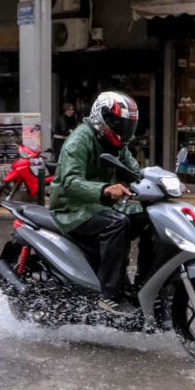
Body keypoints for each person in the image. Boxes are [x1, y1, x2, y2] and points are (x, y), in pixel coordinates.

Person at [50, 91, 152, 316]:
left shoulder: (114, 141)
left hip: (97, 204)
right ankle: (110, 298)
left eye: (127, 125)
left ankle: (144, 286)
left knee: (147, 217)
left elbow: (135, 171)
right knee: (117, 224)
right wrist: (105, 190)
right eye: (118, 123)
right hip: (72, 207)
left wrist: (161, 183)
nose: (123, 129)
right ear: (102, 116)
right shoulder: (79, 139)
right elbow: (69, 182)